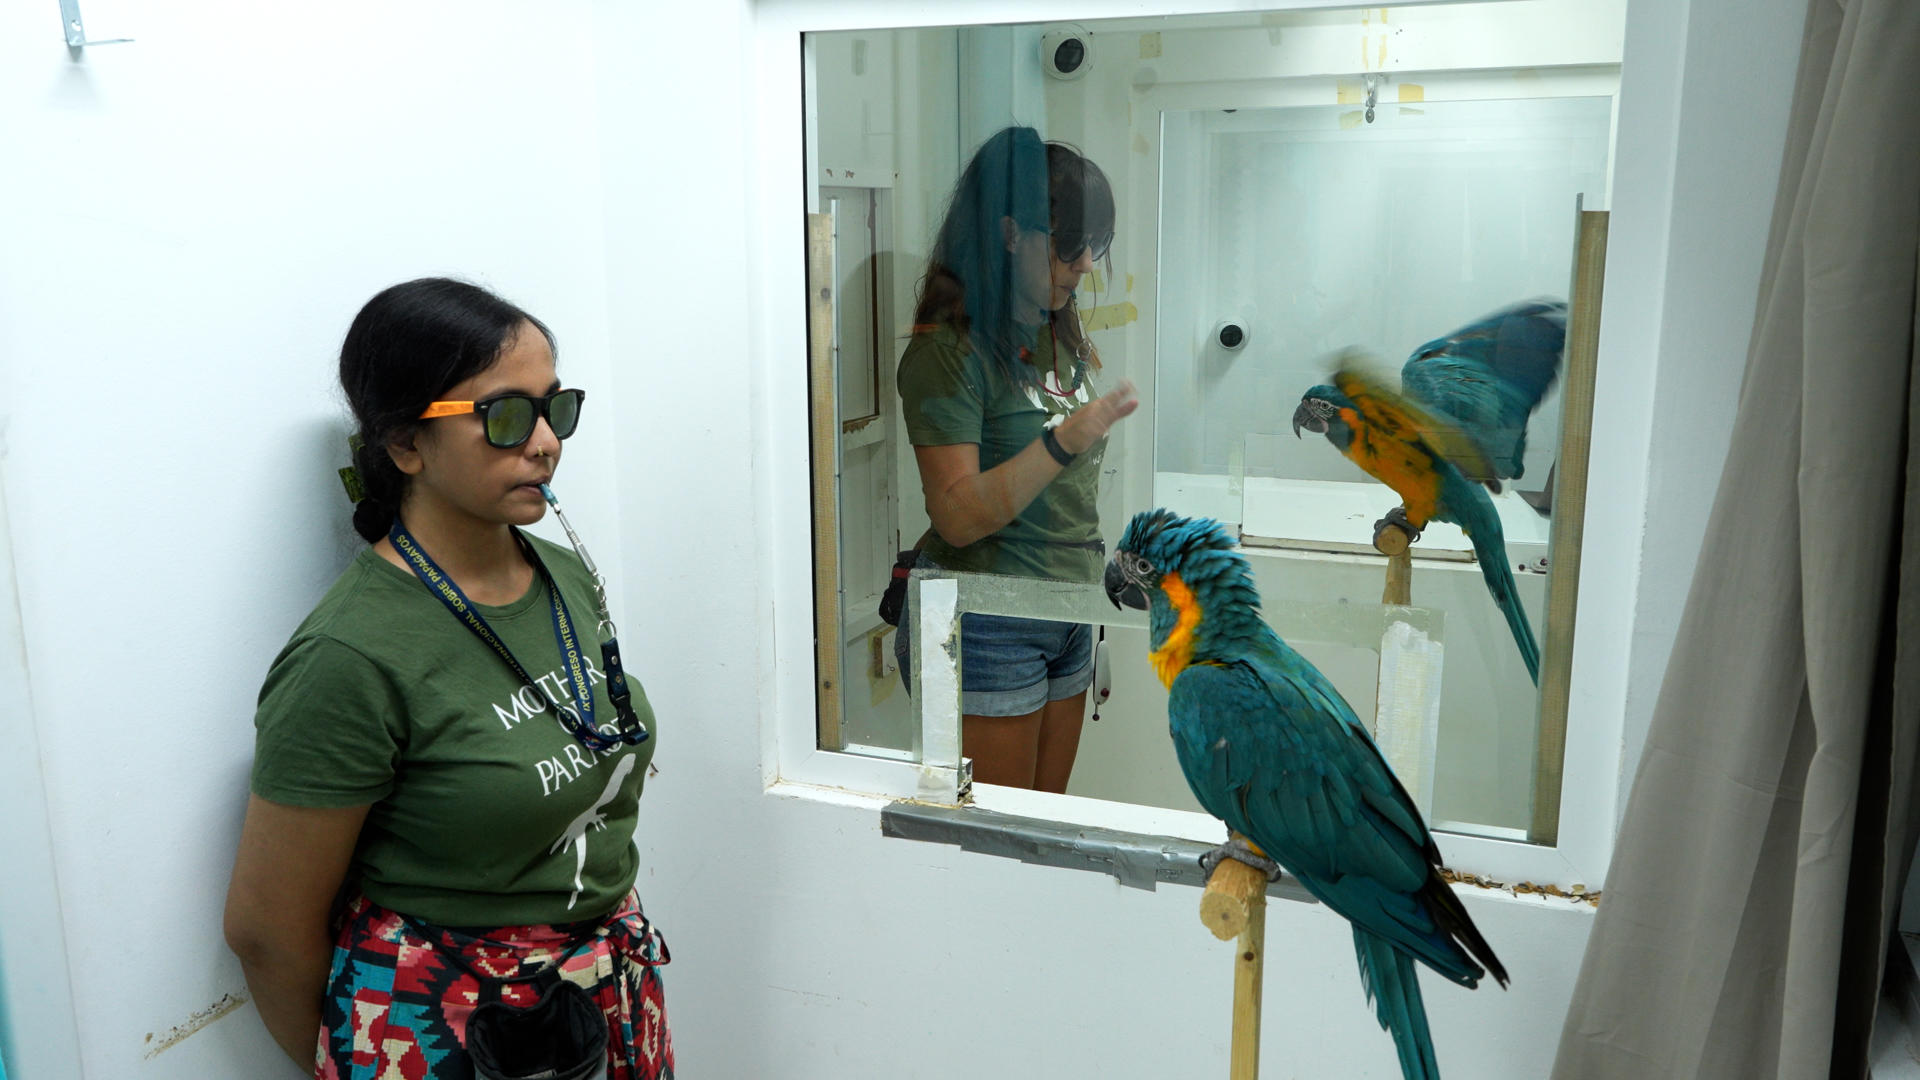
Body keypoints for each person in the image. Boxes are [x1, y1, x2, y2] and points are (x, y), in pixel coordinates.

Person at [223, 278, 672, 1079]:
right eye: (504, 417)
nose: (544, 443)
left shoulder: (563, 575)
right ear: (404, 445)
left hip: (597, 997)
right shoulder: (352, 655)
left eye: (552, 409)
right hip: (440, 1024)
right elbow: (265, 929)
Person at [894, 126, 1138, 792]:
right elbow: (959, 518)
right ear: (1009, 234)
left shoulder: (1056, 328)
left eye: (1098, 246)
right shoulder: (948, 353)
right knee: (999, 842)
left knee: (1047, 826)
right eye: (1069, 245)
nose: (1086, 263)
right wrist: (1065, 440)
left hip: (1068, 608)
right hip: (989, 618)